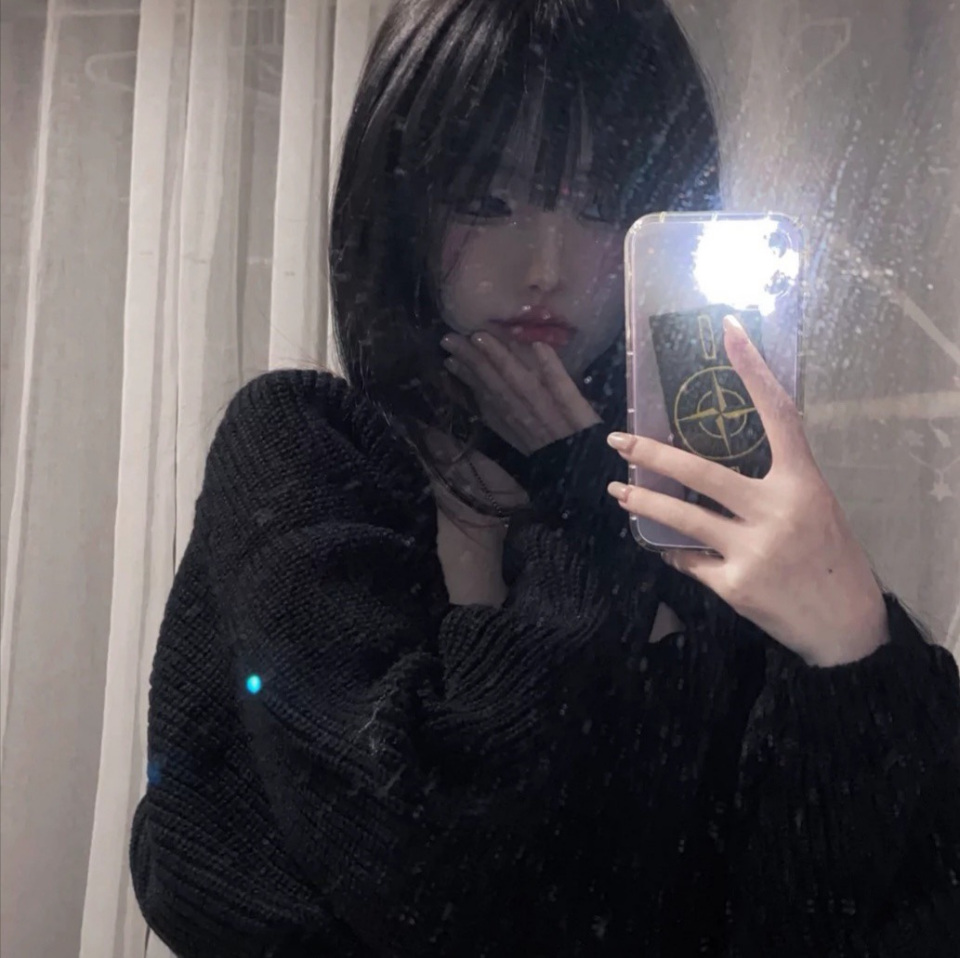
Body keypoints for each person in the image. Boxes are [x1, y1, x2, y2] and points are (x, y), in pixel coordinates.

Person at [130, 1, 960, 955]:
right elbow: (420, 869)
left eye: (603, 206)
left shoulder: (689, 512)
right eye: (488, 201)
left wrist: (854, 642)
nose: (548, 266)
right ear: (401, 206)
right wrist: (581, 521)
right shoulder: (308, 452)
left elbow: (835, 914)